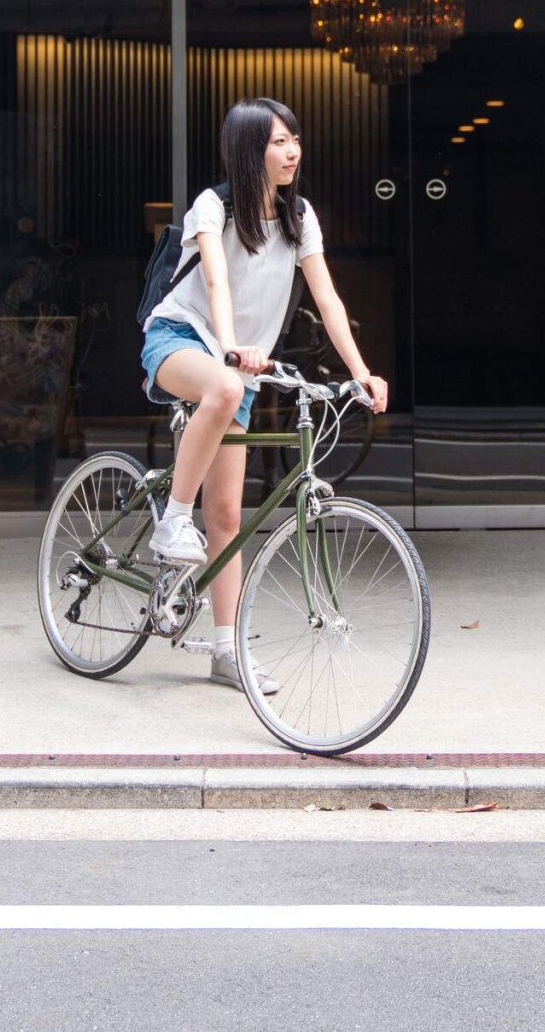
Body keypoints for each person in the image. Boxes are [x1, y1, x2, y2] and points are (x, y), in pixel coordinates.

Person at [138, 97, 386, 694]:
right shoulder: (214, 206)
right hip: (179, 339)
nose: (292, 150)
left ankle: (226, 651)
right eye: (277, 141)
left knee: (226, 515)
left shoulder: (299, 216)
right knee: (224, 388)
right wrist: (228, 348)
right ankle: (171, 522)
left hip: (235, 370)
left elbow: (328, 301)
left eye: (295, 138)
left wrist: (361, 371)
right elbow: (217, 280)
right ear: (249, 149)